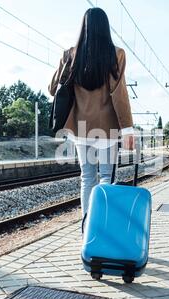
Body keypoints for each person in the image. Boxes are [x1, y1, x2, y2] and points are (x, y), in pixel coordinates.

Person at [49, 7, 135, 219]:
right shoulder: (117, 55)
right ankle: (101, 225)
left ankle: (86, 229)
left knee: (87, 178)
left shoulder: (70, 55)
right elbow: (119, 94)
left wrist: (65, 62)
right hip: (107, 129)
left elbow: (52, 88)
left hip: (80, 128)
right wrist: (128, 129)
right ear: (105, 28)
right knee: (106, 177)